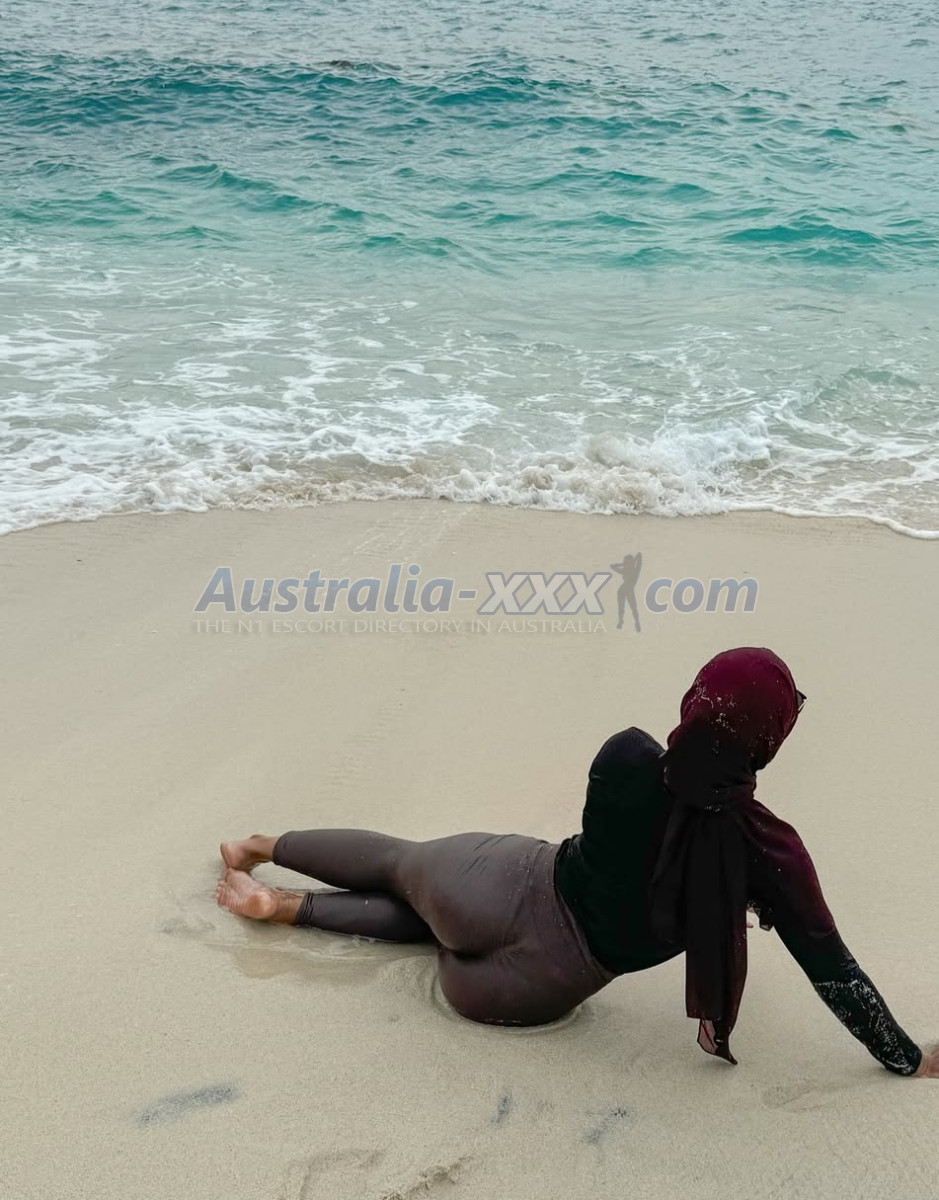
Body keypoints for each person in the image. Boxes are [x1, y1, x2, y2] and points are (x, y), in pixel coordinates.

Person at [216, 646, 938, 1077]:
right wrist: (905, 1057)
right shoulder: (768, 854)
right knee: (430, 937)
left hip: (497, 884)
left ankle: (257, 851)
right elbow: (832, 968)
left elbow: (662, 822)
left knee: (399, 862)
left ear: (693, 700)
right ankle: (285, 908)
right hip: (521, 991)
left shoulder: (625, 755)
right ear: (767, 743)